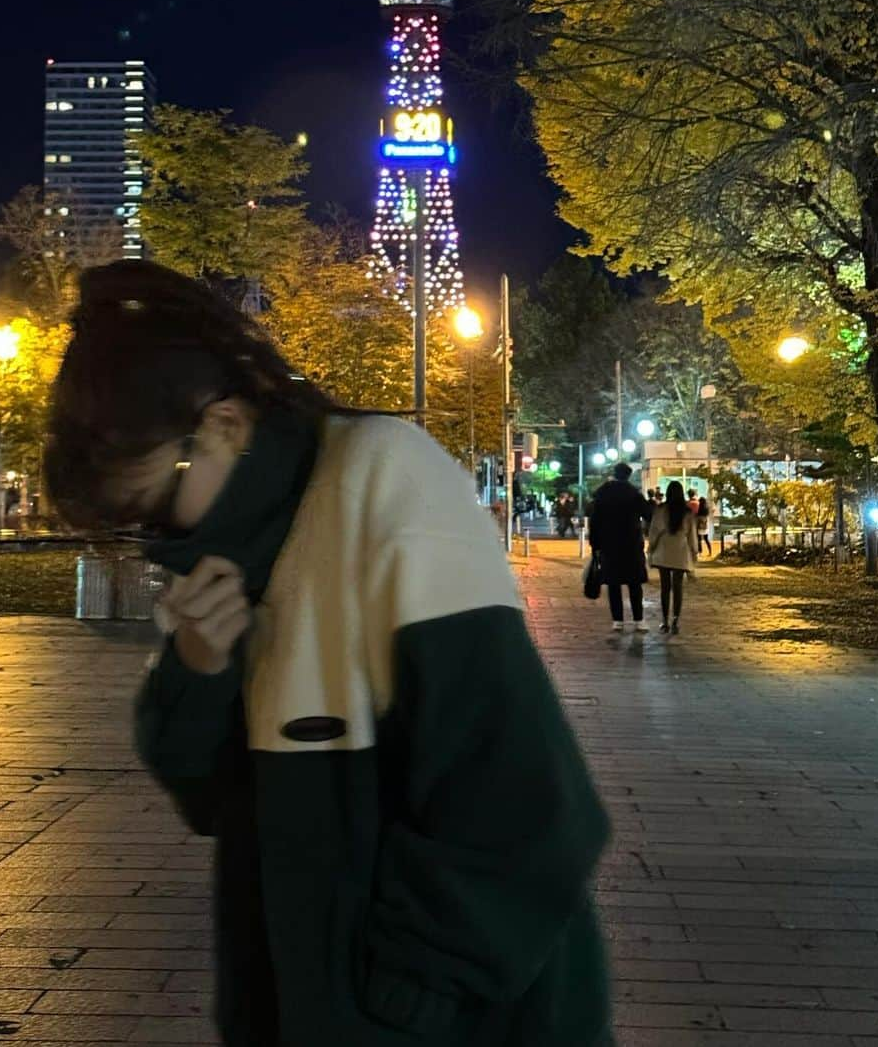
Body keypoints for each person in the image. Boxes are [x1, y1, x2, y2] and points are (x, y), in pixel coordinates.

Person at [44, 262, 613, 1047]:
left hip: (457, 1022)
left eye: (157, 502)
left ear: (226, 426)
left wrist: (404, 1003)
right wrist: (199, 668)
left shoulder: (381, 475)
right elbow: (207, 800)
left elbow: (526, 804)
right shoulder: (224, 551)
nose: (160, 540)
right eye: (130, 526)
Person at [588, 462, 650, 634]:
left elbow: (595, 521)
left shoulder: (603, 494)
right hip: (631, 543)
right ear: (628, 475)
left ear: (615, 474)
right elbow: (648, 514)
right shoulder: (633, 494)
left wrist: (595, 544)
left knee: (613, 583)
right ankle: (639, 619)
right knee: (634, 583)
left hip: (609, 544)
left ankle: (617, 620)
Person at [648, 480, 698, 634]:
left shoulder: (661, 510)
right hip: (680, 551)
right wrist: (694, 554)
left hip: (664, 550)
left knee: (665, 588)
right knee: (678, 588)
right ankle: (675, 620)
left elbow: (654, 532)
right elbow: (692, 537)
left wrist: (651, 549)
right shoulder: (687, 512)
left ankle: (664, 621)